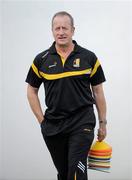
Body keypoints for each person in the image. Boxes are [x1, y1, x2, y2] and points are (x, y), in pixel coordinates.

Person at [26, 11, 107, 180]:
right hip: (54, 126)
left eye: (65, 28)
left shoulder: (88, 57)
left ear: (73, 30)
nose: (61, 32)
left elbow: (98, 91)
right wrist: (42, 121)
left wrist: (102, 122)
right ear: (52, 31)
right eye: (57, 28)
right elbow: (31, 91)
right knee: (64, 174)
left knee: (77, 172)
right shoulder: (41, 60)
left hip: (82, 122)